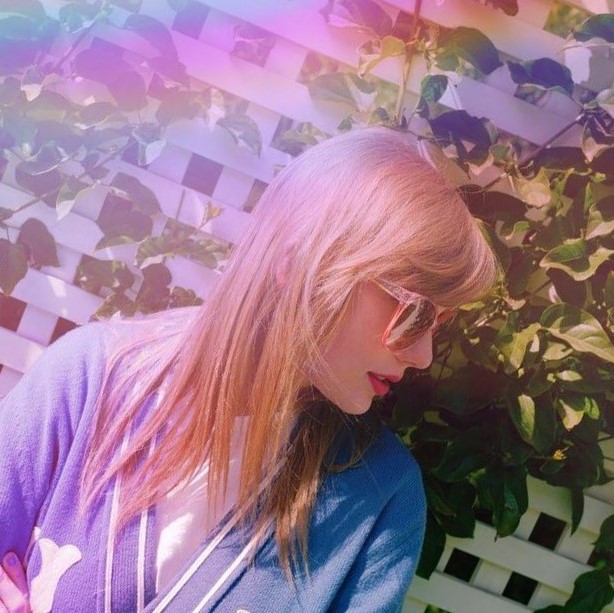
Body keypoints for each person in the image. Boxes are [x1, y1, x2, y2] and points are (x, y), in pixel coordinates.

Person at [0, 127, 498, 612]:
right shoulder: (90, 381)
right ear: (299, 264)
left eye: (440, 323)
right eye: (414, 313)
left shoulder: (380, 500)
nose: (423, 355)